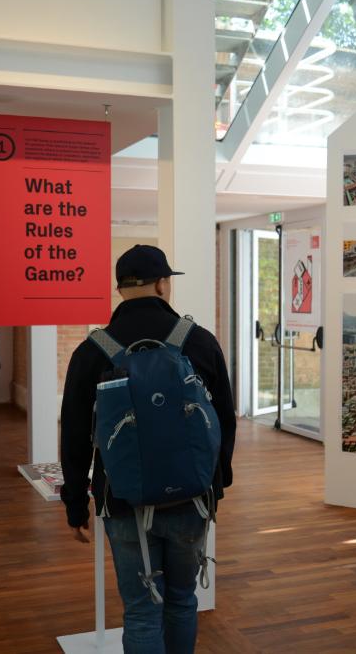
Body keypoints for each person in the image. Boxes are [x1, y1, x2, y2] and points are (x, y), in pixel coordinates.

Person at [60, 245, 236, 653]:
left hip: (122, 500)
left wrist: (74, 505)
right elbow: (224, 421)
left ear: (121, 288)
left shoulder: (92, 351)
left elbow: (73, 435)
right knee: (181, 599)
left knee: (141, 610)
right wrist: (218, 485)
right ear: (162, 284)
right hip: (192, 498)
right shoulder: (199, 341)